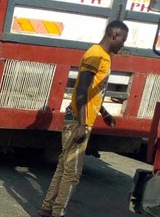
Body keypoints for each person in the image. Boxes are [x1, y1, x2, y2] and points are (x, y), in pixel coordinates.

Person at [39, 20, 128, 217]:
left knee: (64, 166)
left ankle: (48, 208)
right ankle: (57, 212)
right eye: (123, 39)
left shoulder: (103, 56)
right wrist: (81, 124)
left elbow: (93, 91)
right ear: (114, 35)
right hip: (79, 120)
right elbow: (81, 90)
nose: (123, 44)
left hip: (80, 117)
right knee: (73, 172)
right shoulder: (96, 55)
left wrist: (103, 112)